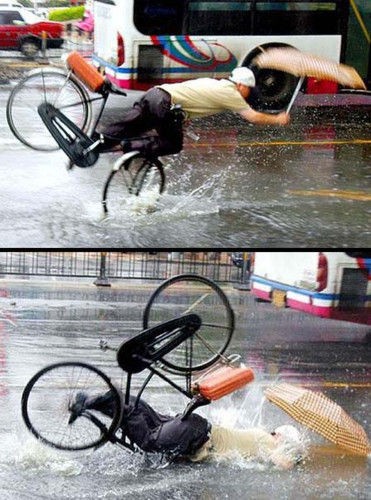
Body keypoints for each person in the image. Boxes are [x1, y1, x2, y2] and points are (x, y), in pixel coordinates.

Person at [76, 390, 306, 469]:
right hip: (192, 433)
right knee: (148, 441)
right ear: (280, 438)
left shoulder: (256, 435)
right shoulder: (265, 439)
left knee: (148, 415)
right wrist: (298, 458)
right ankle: (109, 404)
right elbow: (282, 463)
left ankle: (94, 401)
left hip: (193, 428)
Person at [95, 67, 290, 158]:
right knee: (172, 144)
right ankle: (126, 147)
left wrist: (182, 120)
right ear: (240, 85)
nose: (249, 93)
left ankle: (94, 143)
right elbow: (253, 117)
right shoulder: (231, 93)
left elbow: (190, 100)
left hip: (154, 95)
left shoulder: (216, 83)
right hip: (164, 103)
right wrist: (278, 119)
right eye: (249, 88)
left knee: (130, 126)